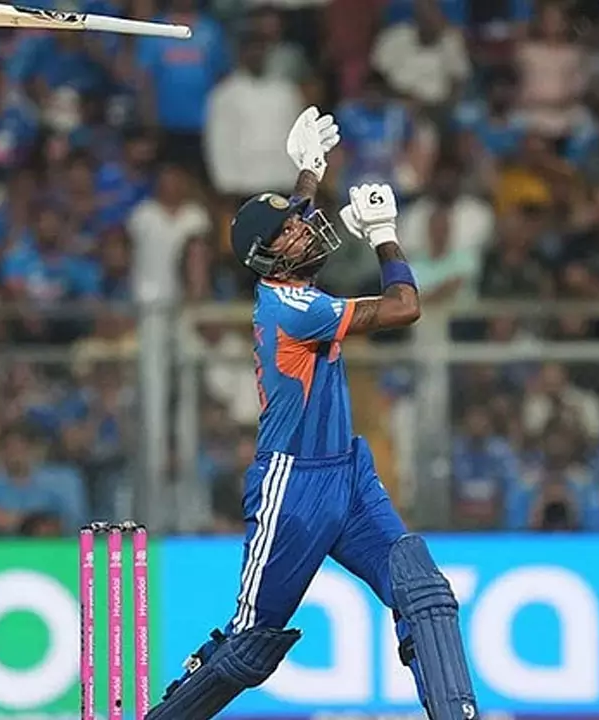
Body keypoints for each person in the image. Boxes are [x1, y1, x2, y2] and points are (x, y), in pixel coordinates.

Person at [146, 107, 477, 720]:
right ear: (268, 260)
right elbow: (404, 307)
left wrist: (308, 172)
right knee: (249, 646)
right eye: (291, 232)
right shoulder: (293, 309)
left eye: (299, 221)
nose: (305, 228)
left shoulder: (291, 279)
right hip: (292, 487)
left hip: (347, 473)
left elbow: (289, 221)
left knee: (423, 589)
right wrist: (384, 234)